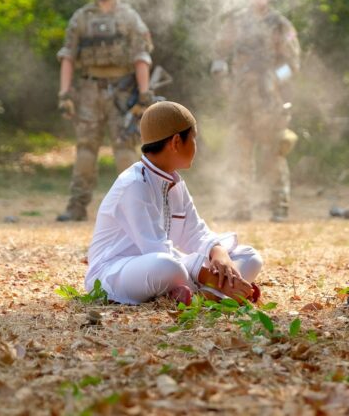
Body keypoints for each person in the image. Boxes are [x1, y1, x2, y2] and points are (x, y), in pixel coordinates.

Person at [84, 101, 264, 305]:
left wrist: (218, 253)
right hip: (115, 272)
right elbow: (156, 250)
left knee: (250, 256)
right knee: (168, 267)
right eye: (194, 139)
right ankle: (215, 292)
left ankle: (200, 296)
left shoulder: (175, 181)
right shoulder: (134, 185)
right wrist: (213, 277)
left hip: (169, 267)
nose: (196, 146)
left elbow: (196, 232)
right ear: (176, 142)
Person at [57, 0, 155, 222]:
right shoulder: (81, 18)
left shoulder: (129, 17)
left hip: (123, 93)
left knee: (125, 151)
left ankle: (137, 210)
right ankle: (77, 206)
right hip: (89, 91)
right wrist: (64, 94)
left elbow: (141, 57)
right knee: (85, 150)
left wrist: (144, 96)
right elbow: (68, 56)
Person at [212, 0, 301, 222]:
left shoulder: (281, 25)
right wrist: (224, 82)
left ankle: (279, 205)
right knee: (239, 151)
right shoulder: (235, 22)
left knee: (274, 151)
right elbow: (219, 55)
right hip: (240, 97)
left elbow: (292, 65)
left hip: (268, 100)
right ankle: (240, 206)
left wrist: (274, 79)